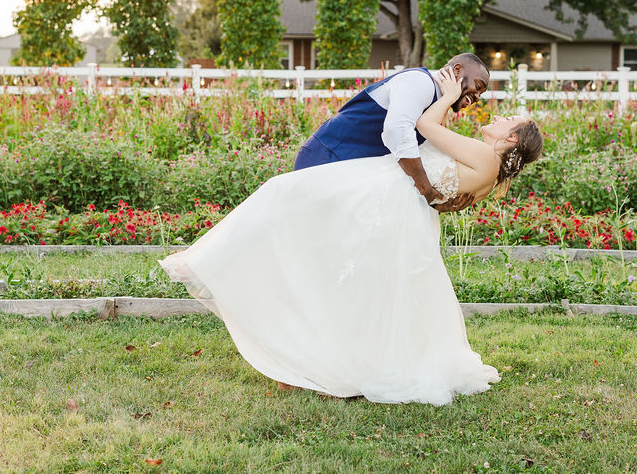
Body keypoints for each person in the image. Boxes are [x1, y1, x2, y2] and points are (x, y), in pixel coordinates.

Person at [160, 67, 543, 405]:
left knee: (282, 202)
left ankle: (213, 264)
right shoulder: (492, 177)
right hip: (401, 213)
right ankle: (322, 358)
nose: (499, 114)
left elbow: (424, 128)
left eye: (509, 119)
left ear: (511, 140)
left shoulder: (485, 155)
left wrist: (444, 96)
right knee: (365, 292)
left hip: (381, 201)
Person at [293, 53, 491, 212]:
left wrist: (448, 199)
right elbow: (397, 131)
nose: (477, 97)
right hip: (328, 155)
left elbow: (433, 155)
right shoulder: (419, 82)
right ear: (457, 70)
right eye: (478, 86)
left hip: (350, 169)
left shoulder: (438, 105)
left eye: (480, 94)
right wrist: (426, 191)